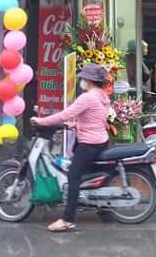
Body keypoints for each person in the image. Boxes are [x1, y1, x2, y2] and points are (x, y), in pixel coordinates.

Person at [31, 63, 110, 232]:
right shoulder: (102, 95)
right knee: (83, 170)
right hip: (99, 140)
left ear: (89, 81)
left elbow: (65, 115)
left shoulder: (87, 97)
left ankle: (68, 219)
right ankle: (96, 203)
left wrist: (41, 121)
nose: (82, 81)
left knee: (73, 176)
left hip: (89, 143)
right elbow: (95, 118)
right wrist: (74, 125)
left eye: (83, 78)